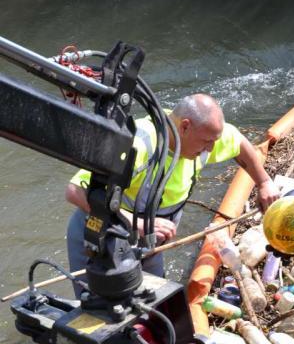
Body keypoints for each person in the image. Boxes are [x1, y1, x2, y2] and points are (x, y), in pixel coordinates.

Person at [65, 93, 279, 292]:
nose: (212, 149)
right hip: (100, 241)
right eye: (207, 142)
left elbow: (238, 142)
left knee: (155, 305)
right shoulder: (138, 146)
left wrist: (264, 182)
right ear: (185, 127)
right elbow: (74, 191)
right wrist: (136, 223)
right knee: (102, 315)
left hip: (147, 243)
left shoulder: (204, 136)